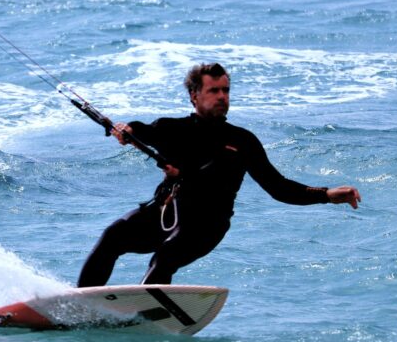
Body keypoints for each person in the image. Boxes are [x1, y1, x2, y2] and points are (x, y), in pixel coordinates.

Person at [77, 63, 361, 287]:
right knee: (113, 235)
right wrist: (128, 130)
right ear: (194, 95)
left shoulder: (242, 141)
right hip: (167, 214)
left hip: (206, 225)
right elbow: (144, 131)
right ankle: (78, 305)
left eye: (226, 90)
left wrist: (326, 195)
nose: (222, 97)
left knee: (165, 257)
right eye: (214, 91)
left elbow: (279, 187)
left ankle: (147, 317)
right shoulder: (172, 128)